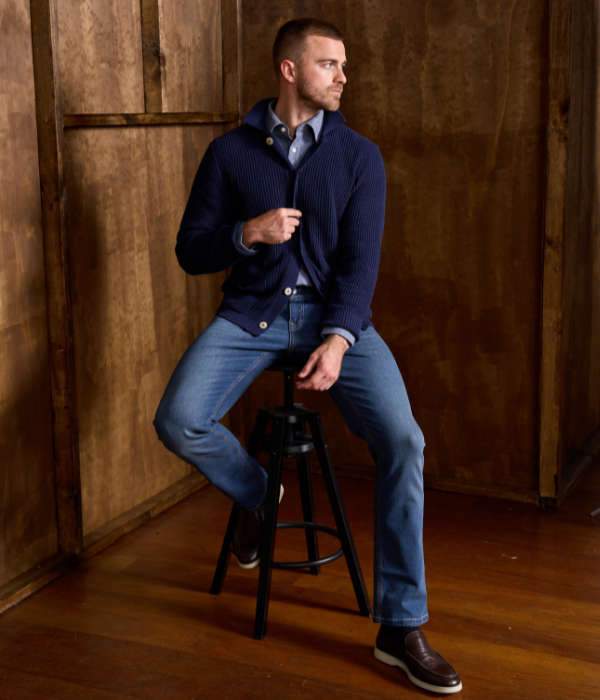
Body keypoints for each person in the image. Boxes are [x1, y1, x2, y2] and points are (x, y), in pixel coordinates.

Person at [154, 17, 462, 695]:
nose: (344, 77)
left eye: (344, 65)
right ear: (289, 70)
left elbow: (360, 265)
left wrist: (339, 338)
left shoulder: (359, 157)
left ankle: (400, 625)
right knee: (177, 419)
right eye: (330, 64)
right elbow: (190, 249)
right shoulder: (229, 153)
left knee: (404, 441)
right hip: (251, 316)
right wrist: (245, 233)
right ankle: (258, 494)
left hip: (336, 322)